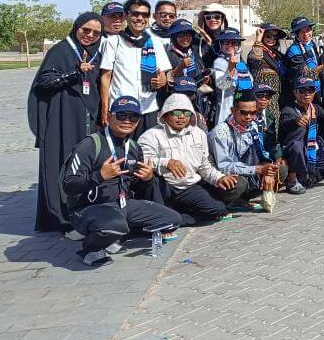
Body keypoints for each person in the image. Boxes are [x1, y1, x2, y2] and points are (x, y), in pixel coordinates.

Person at [62, 96, 182, 266]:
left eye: (133, 117)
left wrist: (147, 179)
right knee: (113, 224)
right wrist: (99, 176)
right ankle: (90, 248)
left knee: (172, 220)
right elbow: (69, 185)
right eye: (121, 116)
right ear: (109, 116)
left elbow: (136, 187)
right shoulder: (90, 145)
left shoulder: (133, 147)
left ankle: (114, 235)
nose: (127, 121)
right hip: (88, 207)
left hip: (122, 205)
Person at [28, 12, 104, 234]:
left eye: (96, 32)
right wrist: (73, 74)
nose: (90, 35)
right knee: (62, 161)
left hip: (85, 119)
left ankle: (82, 213)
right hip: (63, 118)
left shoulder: (92, 52)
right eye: (85, 30)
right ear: (76, 27)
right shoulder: (61, 50)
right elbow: (46, 81)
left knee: (81, 163)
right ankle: (59, 218)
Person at [139, 94, 236, 225]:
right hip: (163, 187)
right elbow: (143, 160)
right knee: (151, 180)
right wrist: (165, 162)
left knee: (218, 209)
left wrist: (218, 178)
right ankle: (167, 217)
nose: (182, 117)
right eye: (176, 112)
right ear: (166, 115)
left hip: (188, 187)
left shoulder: (199, 134)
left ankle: (176, 216)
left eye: (186, 113)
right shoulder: (151, 135)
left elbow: (204, 166)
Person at [98, 0, 171, 136]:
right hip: (122, 108)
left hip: (148, 108)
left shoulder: (154, 43)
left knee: (146, 152)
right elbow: (105, 78)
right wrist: (104, 109)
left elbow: (163, 73)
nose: (140, 18)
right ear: (126, 16)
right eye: (135, 14)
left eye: (144, 15)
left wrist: (162, 80)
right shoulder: (114, 42)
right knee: (122, 152)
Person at [208, 91, 282, 211]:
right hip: (220, 177)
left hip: (244, 170)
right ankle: (224, 202)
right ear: (233, 111)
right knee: (239, 183)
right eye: (244, 113)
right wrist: (256, 169)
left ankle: (241, 199)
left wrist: (267, 170)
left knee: (279, 171)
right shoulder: (221, 132)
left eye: (253, 113)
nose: (248, 117)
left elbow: (261, 153)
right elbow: (224, 167)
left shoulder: (253, 126)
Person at [210, 28, 253, 126]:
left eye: (234, 42)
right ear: (220, 44)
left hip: (244, 111)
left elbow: (250, 85)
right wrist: (230, 67)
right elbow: (223, 86)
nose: (230, 45)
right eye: (225, 42)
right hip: (227, 110)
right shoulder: (219, 62)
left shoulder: (242, 64)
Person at [285, 17, 324, 107]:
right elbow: (305, 73)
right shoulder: (294, 50)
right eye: (301, 31)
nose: (306, 34)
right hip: (303, 94)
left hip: (315, 90)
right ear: (296, 34)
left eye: (308, 30)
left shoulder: (312, 45)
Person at [246, 24, 289, 92]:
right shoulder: (258, 51)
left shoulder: (278, 55)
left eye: (275, 37)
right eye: (268, 36)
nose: (271, 39)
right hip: (263, 94)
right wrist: (258, 38)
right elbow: (254, 60)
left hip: (278, 93)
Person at [253, 82, 280, 161]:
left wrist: (278, 157)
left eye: (268, 96)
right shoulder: (245, 115)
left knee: (283, 168)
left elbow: (272, 142)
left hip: (266, 154)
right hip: (250, 155)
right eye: (260, 95)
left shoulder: (270, 116)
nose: (264, 99)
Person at [197, 3, 230, 69]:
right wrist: (207, 44)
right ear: (204, 20)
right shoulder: (198, 41)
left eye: (217, 17)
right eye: (208, 17)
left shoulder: (229, 39)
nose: (212, 20)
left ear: (222, 19)